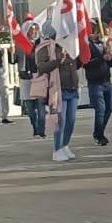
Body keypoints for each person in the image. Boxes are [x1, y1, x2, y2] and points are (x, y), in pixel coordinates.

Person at [37, 21, 83, 162]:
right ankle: (57, 149)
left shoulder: (69, 46)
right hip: (57, 89)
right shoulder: (45, 47)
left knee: (71, 120)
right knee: (60, 120)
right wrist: (58, 62)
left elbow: (77, 64)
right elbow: (42, 67)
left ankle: (65, 145)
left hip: (72, 87)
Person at [84, 22, 112, 146]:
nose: (106, 37)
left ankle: (100, 130)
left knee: (109, 108)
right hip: (95, 82)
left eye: (108, 35)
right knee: (100, 109)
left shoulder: (105, 44)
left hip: (107, 81)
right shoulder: (88, 44)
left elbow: (111, 63)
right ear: (97, 32)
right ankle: (99, 134)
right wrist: (102, 58)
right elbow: (86, 63)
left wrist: (110, 57)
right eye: (104, 34)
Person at [17, 20, 46, 137]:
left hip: (39, 77)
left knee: (41, 107)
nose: (34, 32)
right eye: (31, 30)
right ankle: (34, 126)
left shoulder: (42, 43)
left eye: (36, 30)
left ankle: (41, 130)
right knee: (31, 108)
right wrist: (11, 53)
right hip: (26, 78)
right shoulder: (21, 44)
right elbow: (14, 61)